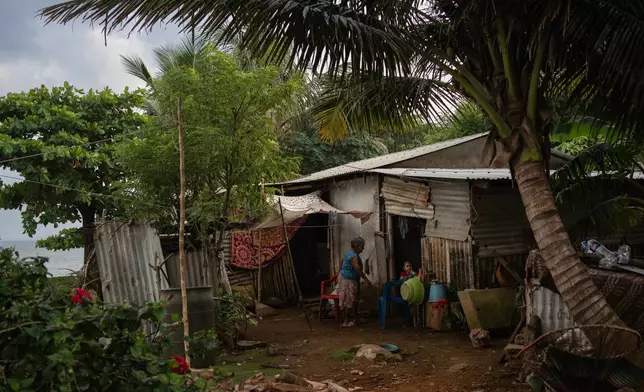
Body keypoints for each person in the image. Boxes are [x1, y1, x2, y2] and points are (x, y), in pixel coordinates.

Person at [337, 237, 371, 327]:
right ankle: (346, 321)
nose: (363, 248)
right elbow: (357, 268)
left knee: (353, 299)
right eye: (362, 246)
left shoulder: (349, 254)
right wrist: (366, 280)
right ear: (357, 247)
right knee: (348, 300)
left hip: (347, 279)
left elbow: (341, 264)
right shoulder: (354, 256)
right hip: (347, 280)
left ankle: (354, 319)